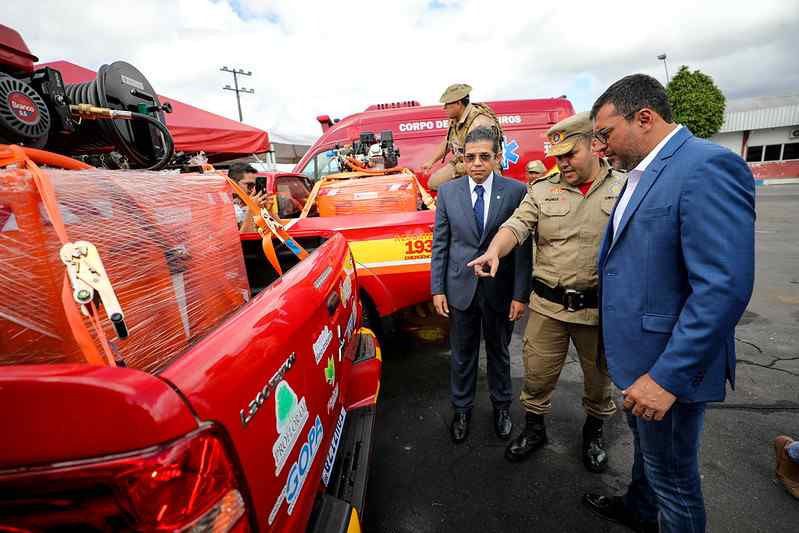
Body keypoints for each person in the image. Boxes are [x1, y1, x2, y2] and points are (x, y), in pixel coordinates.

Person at [583, 74, 755, 533]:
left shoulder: (706, 167)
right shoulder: (643, 172)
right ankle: (639, 510)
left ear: (645, 117)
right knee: (649, 457)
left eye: (604, 133)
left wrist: (666, 378)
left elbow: (723, 287)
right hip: (641, 361)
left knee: (675, 482)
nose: (600, 147)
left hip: (667, 370)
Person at [466, 112, 625, 470]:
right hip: (548, 308)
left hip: (599, 311)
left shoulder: (625, 187)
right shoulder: (542, 190)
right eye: (558, 157)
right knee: (536, 376)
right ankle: (535, 430)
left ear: (594, 145)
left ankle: (594, 434)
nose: (563, 163)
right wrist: (494, 249)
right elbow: (517, 225)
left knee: (599, 382)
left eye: (571, 154)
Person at [430, 126, 531, 443]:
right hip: (460, 290)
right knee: (462, 354)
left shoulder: (516, 191)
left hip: (499, 291)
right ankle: (462, 410)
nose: (477, 163)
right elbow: (441, 245)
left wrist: (520, 294)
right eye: (470, 157)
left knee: (500, 352)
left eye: (484, 157)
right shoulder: (448, 192)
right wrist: (438, 289)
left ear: (497, 157)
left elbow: (522, 250)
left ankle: (502, 407)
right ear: (462, 158)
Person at [422, 84, 502, 191]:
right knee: (434, 183)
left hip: (482, 166)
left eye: (447, 104)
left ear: (459, 103)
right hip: (464, 161)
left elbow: (481, 157)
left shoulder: (479, 122)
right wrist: (431, 161)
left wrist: (458, 169)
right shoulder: (455, 119)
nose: (444, 108)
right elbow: (448, 142)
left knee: (472, 192)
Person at [228, 163, 265, 232]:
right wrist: (251, 210)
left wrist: (270, 212)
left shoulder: (255, 204)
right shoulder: (228, 209)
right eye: (249, 185)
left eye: (255, 185)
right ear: (233, 184)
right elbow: (245, 238)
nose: (253, 189)